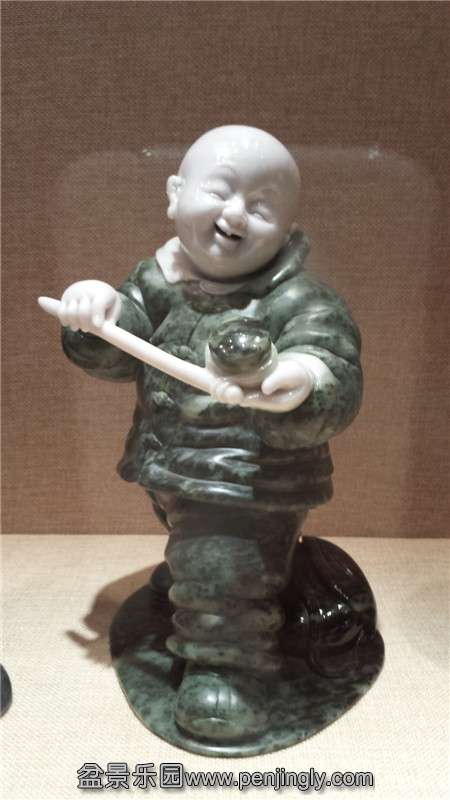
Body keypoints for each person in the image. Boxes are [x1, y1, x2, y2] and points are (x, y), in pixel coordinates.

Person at [57, 126, 362, 743]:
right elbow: (119, 346)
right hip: (169, 467)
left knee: (225, 563)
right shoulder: (157, 283)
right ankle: (206, 585)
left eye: (262, 206)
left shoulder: (300, 299)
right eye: (220, 191)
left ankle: (228, 670)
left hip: (253, 483)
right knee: (199, 551)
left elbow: (331, 360)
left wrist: (301, 379)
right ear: (175, 195)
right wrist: (94, 314)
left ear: (287, 227)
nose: (235, 214)